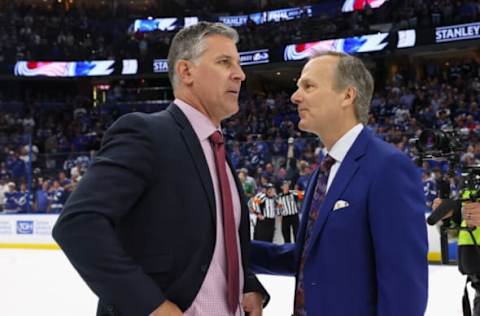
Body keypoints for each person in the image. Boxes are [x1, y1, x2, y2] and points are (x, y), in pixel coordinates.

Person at [53, 22, 268, 316]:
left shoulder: (217, 149)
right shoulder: (146, 133)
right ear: (186, 71)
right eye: (224, 62)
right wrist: (151, 306)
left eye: (239, 64)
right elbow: (78, 224)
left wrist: (248, 284)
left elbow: (217, 244)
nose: (240, 74)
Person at [250, 51, 428, 315]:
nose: (295, 96)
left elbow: (404, 287)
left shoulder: (388, 167)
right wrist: (232, 247)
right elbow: (308, 257)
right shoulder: (322, 171)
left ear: (347, 95)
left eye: (308, 86)